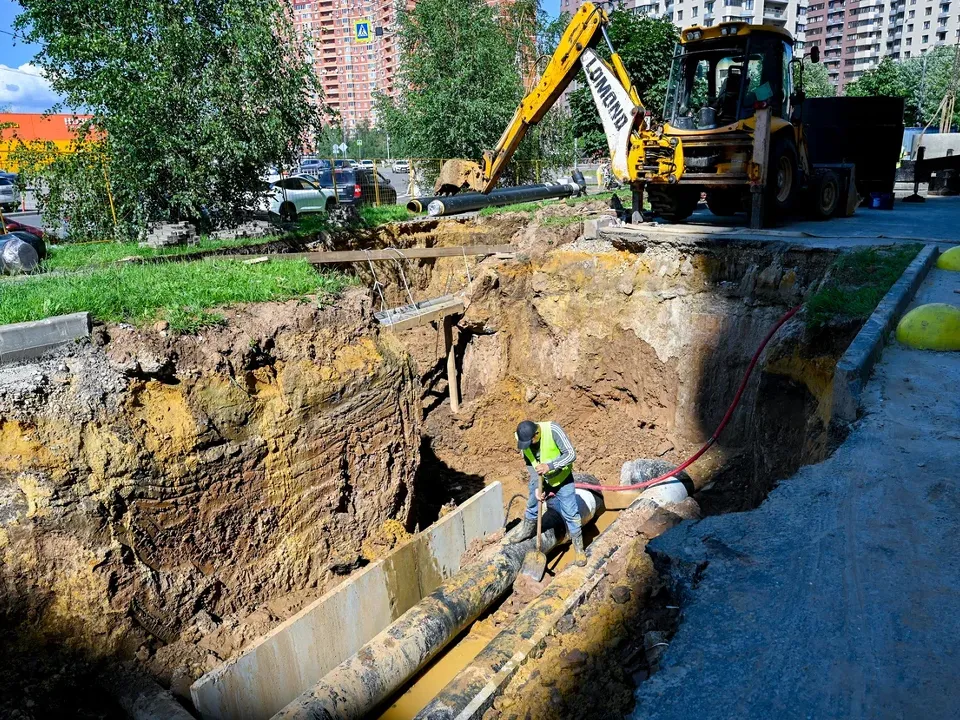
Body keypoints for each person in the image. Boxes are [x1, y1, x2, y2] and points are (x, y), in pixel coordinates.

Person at [503, 420, 586, 567]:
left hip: (562, 479)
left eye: (530, 442)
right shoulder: (523, 439)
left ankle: (579, 550)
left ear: (536, 434)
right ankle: (526, 532)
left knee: (571, 513)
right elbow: (530, 463)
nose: (527, 446)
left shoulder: (552, 430)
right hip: (541, 480)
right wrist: (537, 487)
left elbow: (571, 454)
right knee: (532, 505)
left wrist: (550, 466)